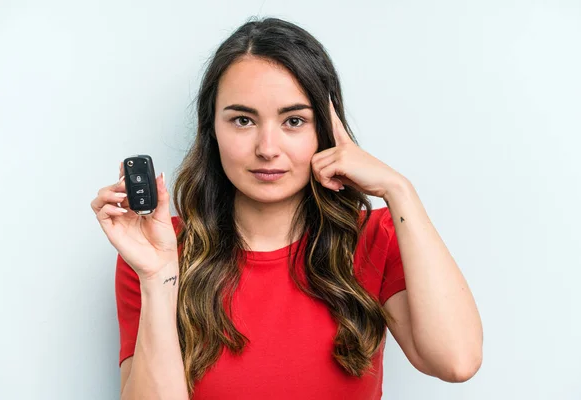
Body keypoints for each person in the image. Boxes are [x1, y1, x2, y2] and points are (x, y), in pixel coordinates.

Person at [91, 17, 483, 400]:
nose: (267, 148)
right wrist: (159, 276)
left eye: (293, 121)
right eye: (243, 120)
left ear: (325, 132)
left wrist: (399, 190)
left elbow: (456, 361)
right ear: (212, 131)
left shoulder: (372, 238)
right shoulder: (156, 252)